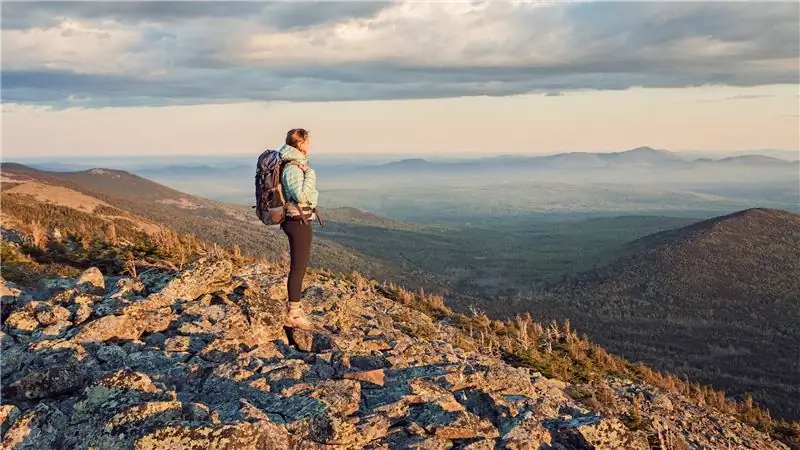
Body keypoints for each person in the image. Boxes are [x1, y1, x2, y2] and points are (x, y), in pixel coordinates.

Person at [279, 128, 319, 330]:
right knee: (299, 267)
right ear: (300, 144)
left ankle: (294, 309)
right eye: (307, 142)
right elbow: (301, 196)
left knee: (299, 266)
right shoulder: (294, 167)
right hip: (297, 220)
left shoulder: (293, 165)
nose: (309, 146)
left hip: (297, 219)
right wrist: (311, 175)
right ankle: (294, 313)